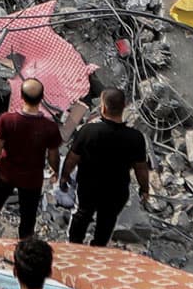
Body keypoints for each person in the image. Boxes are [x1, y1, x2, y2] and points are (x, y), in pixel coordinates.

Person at [59, 86, 152, 246]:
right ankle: (98, 248)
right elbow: (141, 168)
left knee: (82, 214)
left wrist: (65, 177)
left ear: (102, 107)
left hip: (89, 187)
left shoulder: (88, 131)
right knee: (107, 220)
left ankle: (74, 246)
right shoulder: (135, 138)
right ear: (124, 106)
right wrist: (145, 189)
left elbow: (72, 158)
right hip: (117, 190)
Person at [0, 75, 64, 240]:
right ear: (42, 99)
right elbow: (53, 155)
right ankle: (25, 239)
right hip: (32, 178)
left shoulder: (7, 120)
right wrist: (55, 171)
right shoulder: (50, 127)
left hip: (6, 173)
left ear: (21, 97)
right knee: (29, 213)